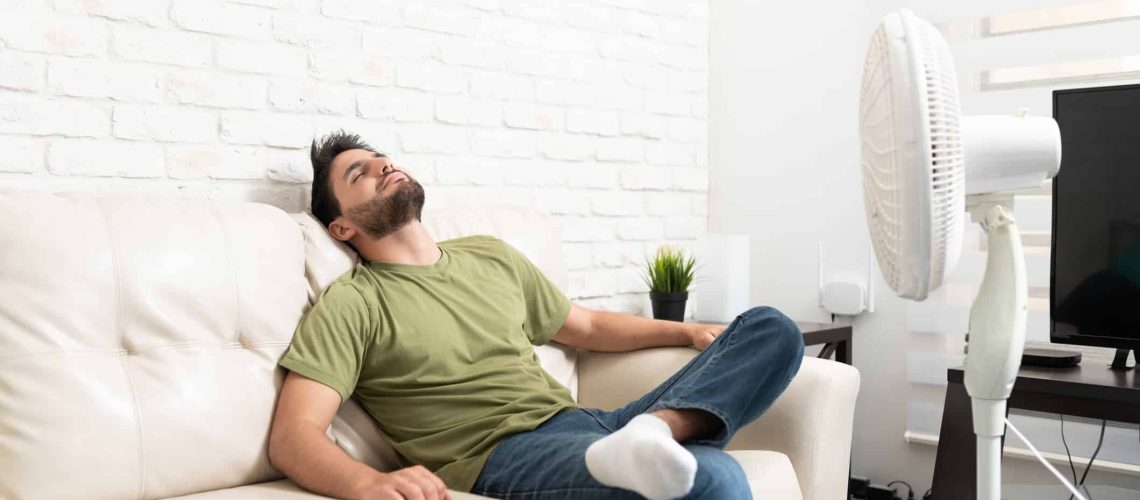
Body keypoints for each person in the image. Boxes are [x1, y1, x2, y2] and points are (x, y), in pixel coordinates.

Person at [268, 130, 805, 500]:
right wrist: (366, 484)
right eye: (360, 173)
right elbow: (294, 435)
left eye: (383, 159)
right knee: (711, 476)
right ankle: (649, 442)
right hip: (500, 454)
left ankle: (653, 432)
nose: (385, 167)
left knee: (770, 328)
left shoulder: (489, 254)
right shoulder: (354, 302)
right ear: (342, 229)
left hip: (596, 423)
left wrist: (688, 332)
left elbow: (588, 327)